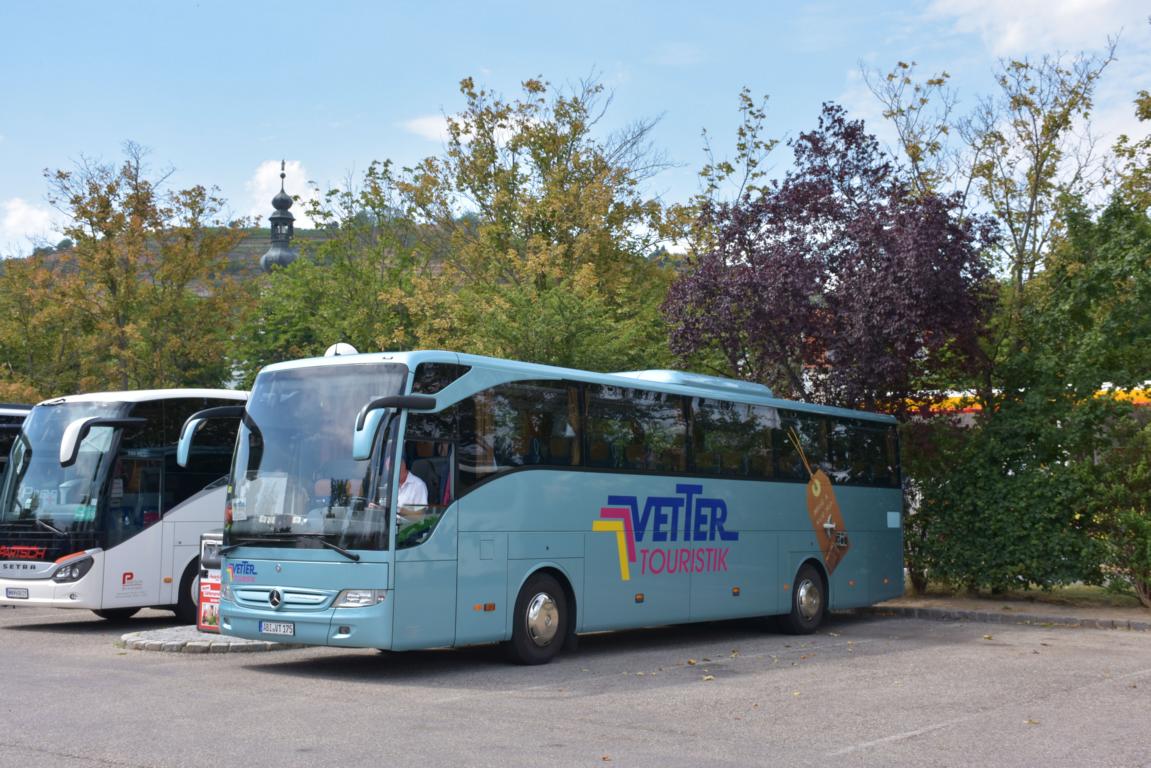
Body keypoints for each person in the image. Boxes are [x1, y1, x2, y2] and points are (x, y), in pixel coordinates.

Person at [396, 458, 428, 522]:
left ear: (403, 466)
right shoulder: (389, 485)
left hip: (409, 528)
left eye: (393, 470)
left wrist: (396, 510)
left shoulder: (418, 485)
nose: (391, 473)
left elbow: (420, 516)